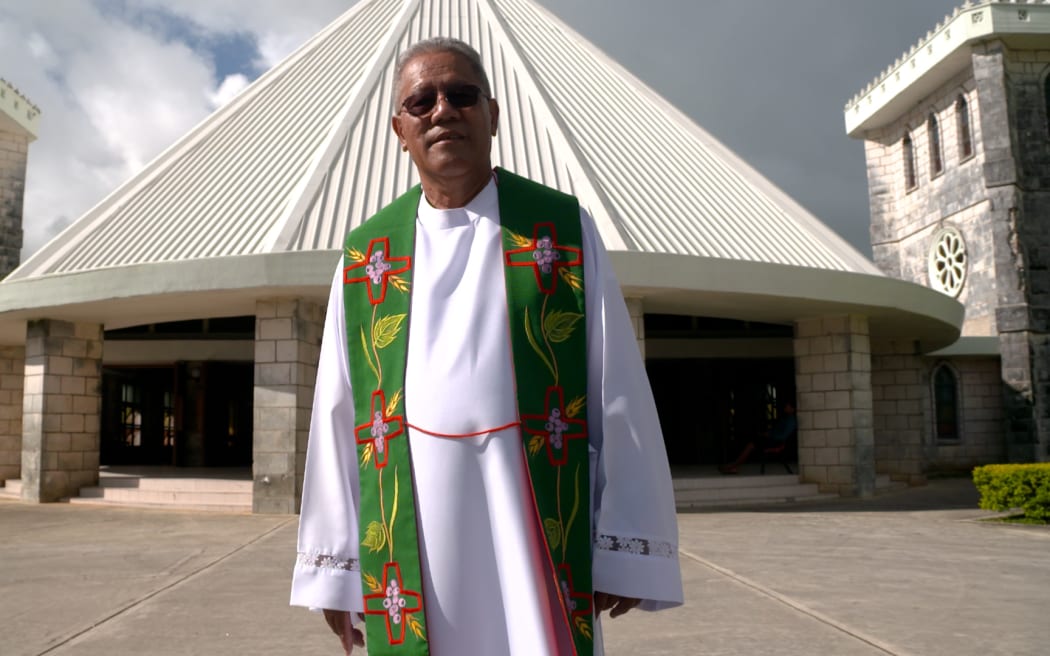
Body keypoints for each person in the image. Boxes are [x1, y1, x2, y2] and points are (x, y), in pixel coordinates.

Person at [290, 37, 682, 656]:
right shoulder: (369, 258)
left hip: (530, 516)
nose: (442, 110)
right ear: (400, 129)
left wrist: (623, 543)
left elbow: (617, 389)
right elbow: (339, 416)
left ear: (492, 115)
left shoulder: (559, 231)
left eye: (461, 94)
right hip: (415, 526)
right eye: (421, 101)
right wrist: (337, 573)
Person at [718, 401, 797, 474]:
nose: (785, 408)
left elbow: (783, 436)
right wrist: (767, 433)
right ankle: (734, 465)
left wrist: (770, 435)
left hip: (776, 442)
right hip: (772, 439)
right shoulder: (786, 419)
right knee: (750, 440)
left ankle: (733, 465)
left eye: (787, 406)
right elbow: (775, 431)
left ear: (792, 409)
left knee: (751, 445)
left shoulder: (791, 421)